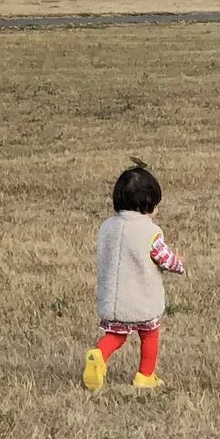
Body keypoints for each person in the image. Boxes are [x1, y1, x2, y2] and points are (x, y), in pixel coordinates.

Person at [85, 160, 184, 392]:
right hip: (142, 299)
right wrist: (179, 264)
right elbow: (164, 258)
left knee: (116, 336)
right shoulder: (150, 231)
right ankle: (145, 376)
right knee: (149, 335)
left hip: (113, 299)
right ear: (148, 204)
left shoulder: (107, 227)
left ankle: (99, 354)